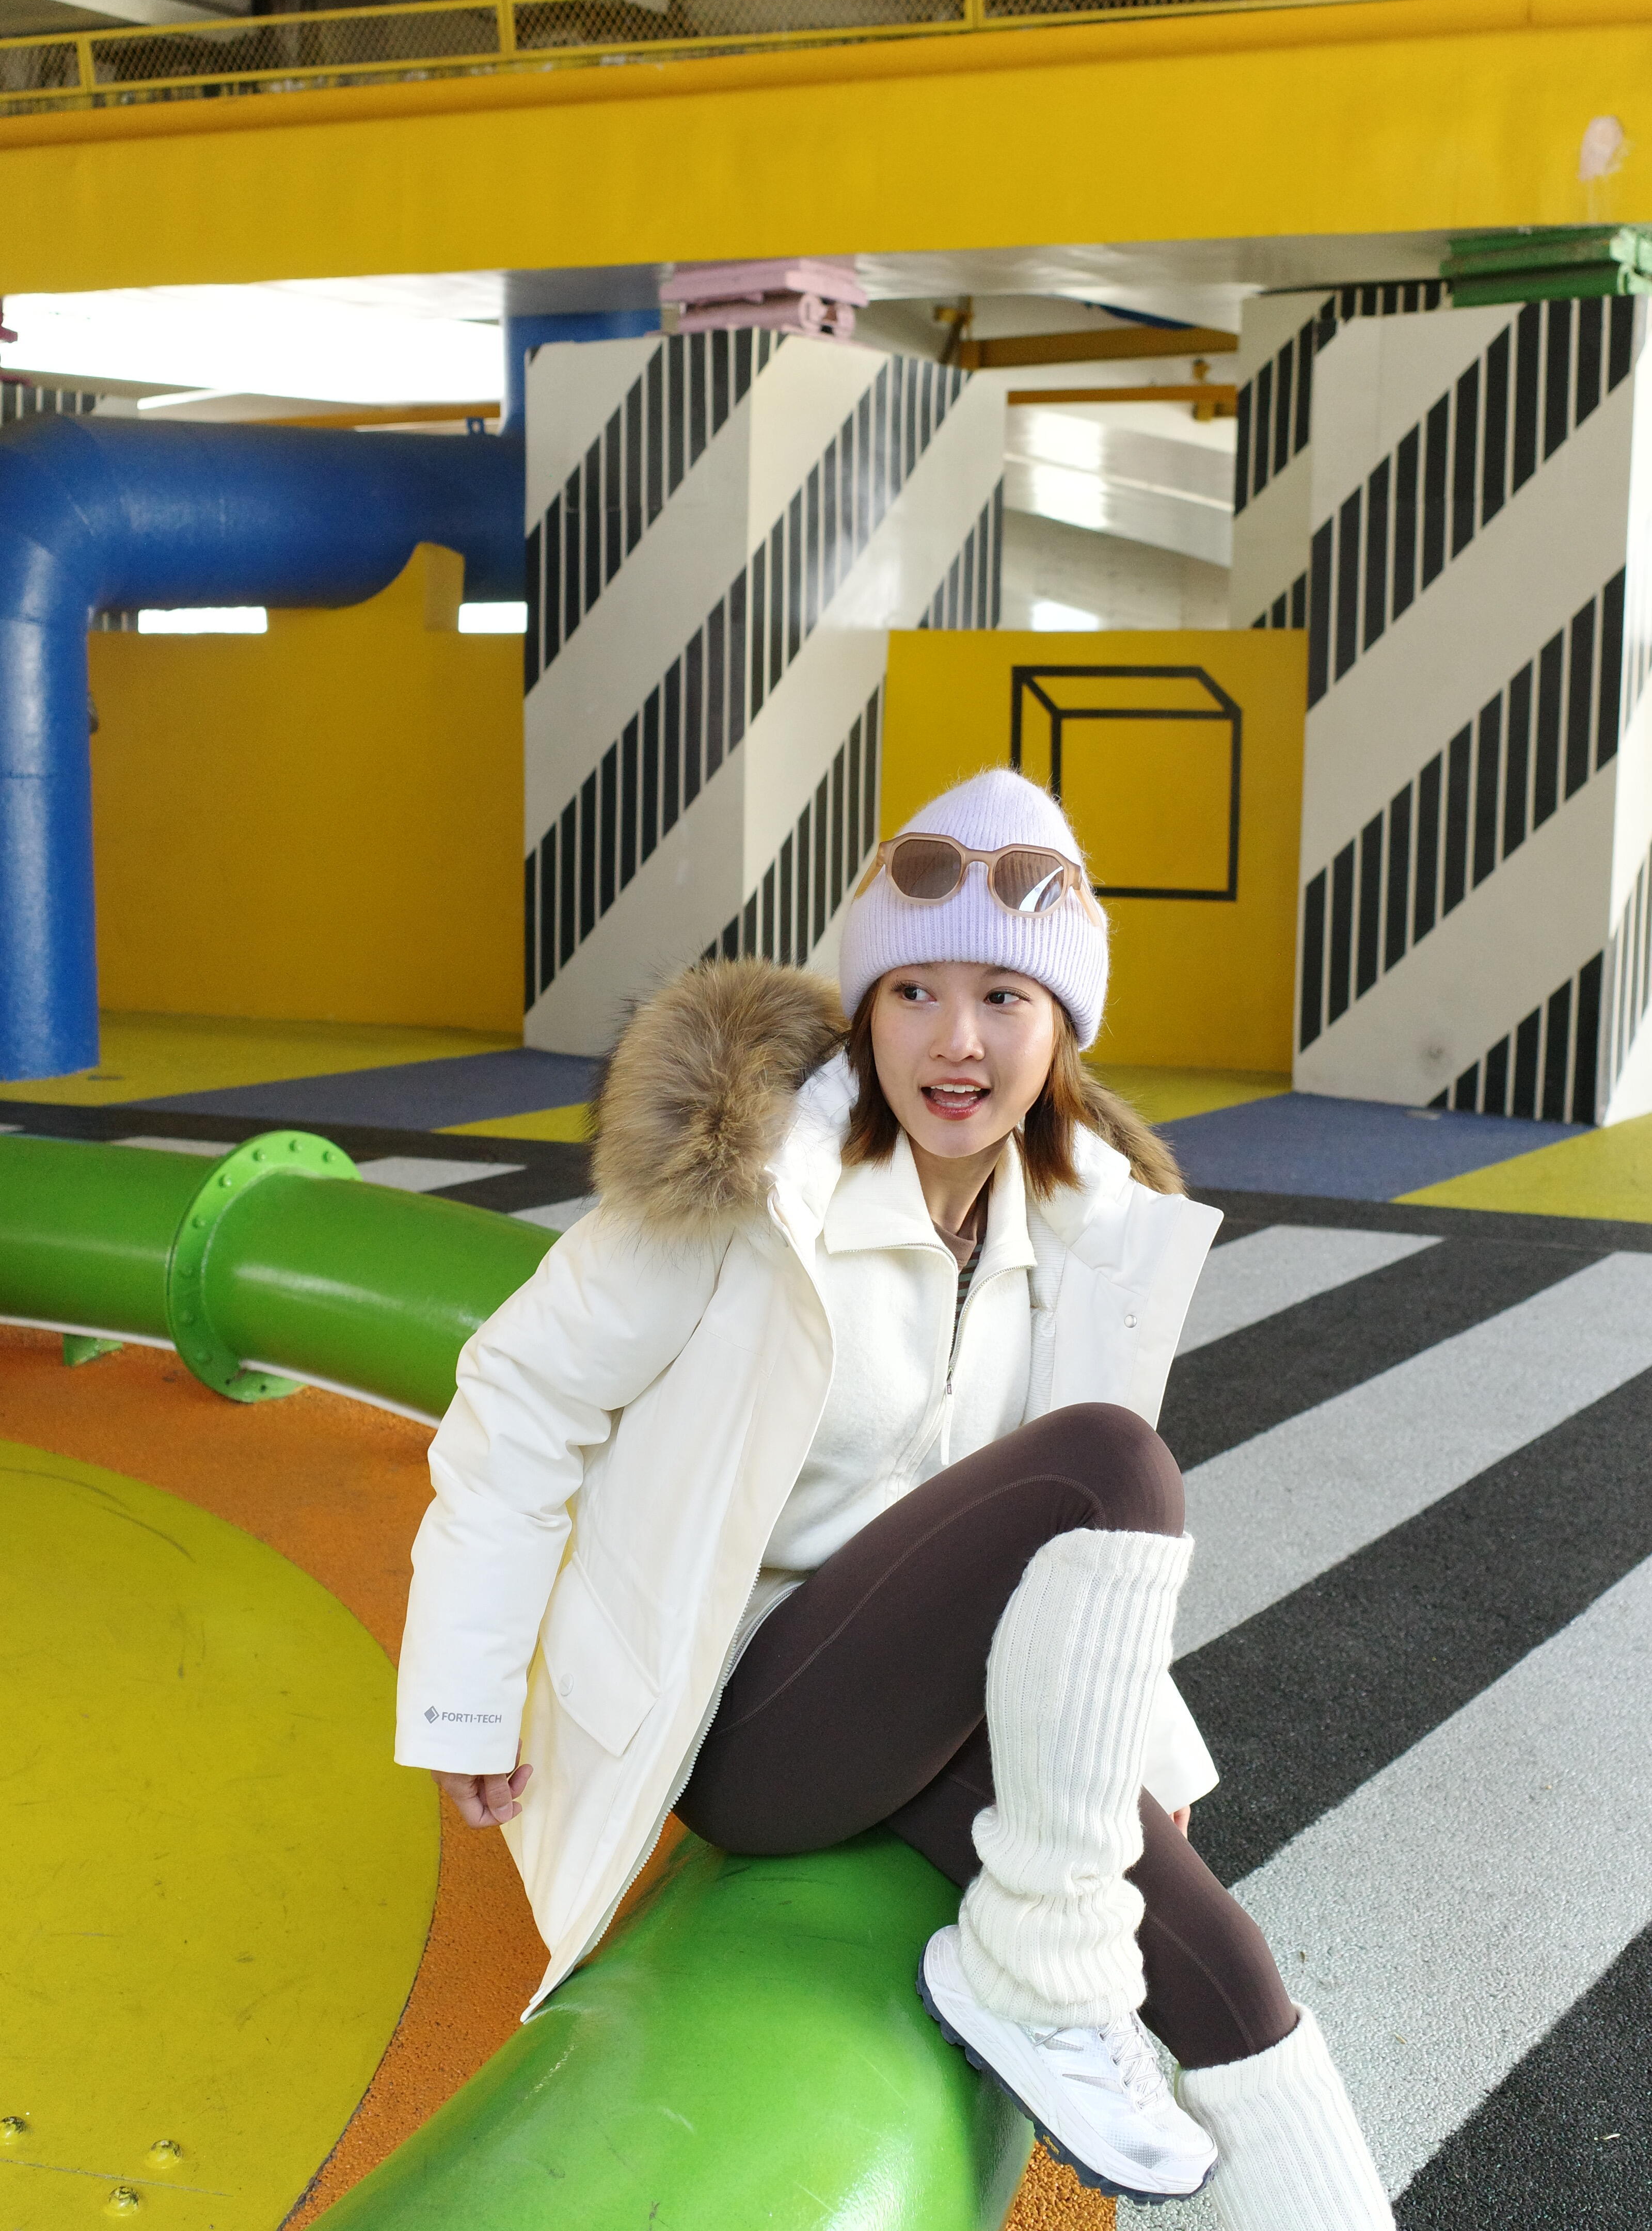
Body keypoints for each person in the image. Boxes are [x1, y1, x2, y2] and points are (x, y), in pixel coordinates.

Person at [396, 768, 1393, 2227]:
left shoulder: (1083, 1226)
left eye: (1005, 997)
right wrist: (466, 1695)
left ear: (1064, 1029)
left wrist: (1136, 1753)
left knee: (1220, 1965)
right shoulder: (747, 1191)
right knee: (1111, 1464)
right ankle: (1038, 1979)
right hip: (740, 1713)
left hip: (931, 1689)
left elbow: (1062, 1592)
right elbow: (520, 1399)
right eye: (914, 992)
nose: (956, 1040)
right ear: (866, 1010)